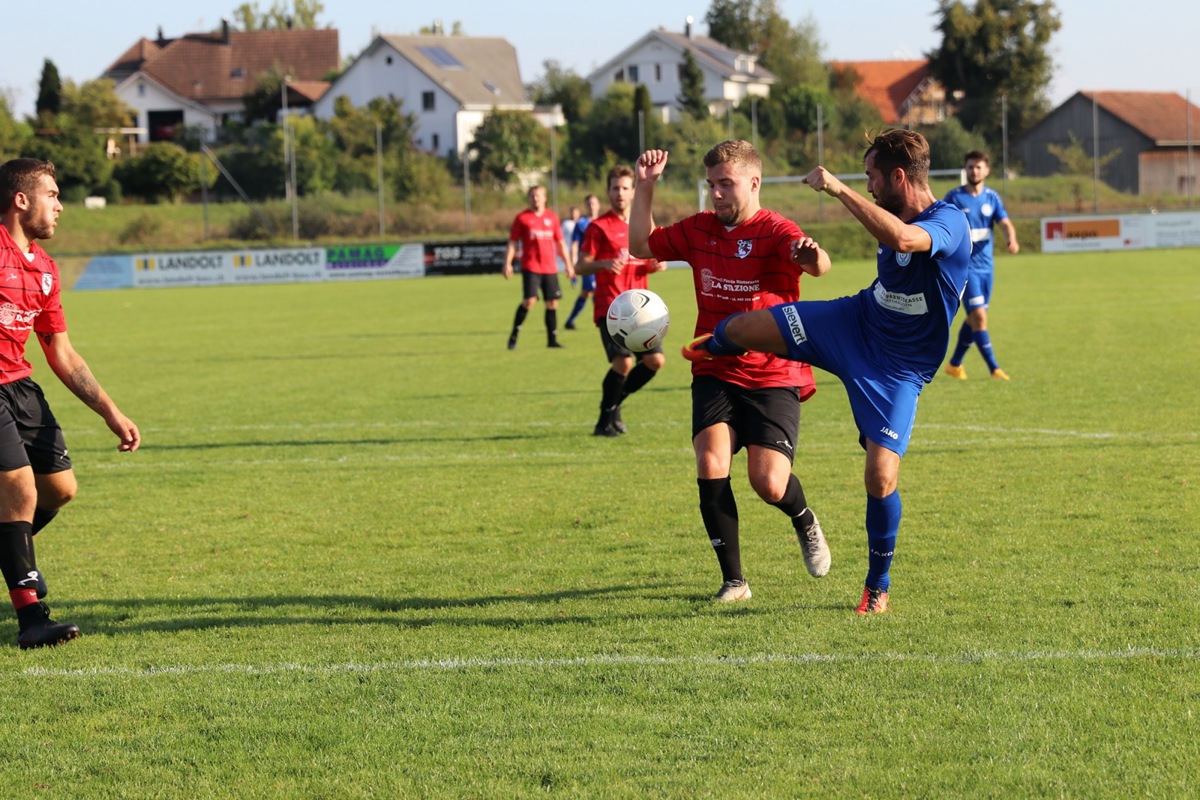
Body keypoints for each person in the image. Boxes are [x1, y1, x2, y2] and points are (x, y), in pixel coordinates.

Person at [680, 130, 971, 614]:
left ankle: (877, 584)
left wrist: (838, 188)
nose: (871, 186)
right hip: (854, 323)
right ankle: (712, 349)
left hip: (898, 369)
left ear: (899, 177)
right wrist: (714, 345)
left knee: (880, 477)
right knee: (744, 327)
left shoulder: (949, 222)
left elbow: (903, 239)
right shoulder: (890, 210)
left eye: (874, 177)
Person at [629, 140, 833, 602]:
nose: (716, 195)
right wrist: (645, 188)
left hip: (774, 372)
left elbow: (820, 266)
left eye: (726, 184)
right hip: (715, 365)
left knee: (768, 482)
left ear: (754, 183)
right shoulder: (699, 229)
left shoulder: (778, 230)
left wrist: (809, 255)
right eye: (711, 185)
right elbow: (640, 245)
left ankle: (804, 520)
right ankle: (734, 581)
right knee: (710, 462)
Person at [0, 158, 141, 648]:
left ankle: (9, 552)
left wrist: (112, 411)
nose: (60, 206)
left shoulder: (44, 268)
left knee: (59, 489)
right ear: (21, 200)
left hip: (19, 385)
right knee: (19, 491)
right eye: (52, 195)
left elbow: (60, 351)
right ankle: (31, 618)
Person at [576, 167, 667, 437]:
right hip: (612, 308)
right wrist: (605, 263)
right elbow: (580, 266)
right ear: (608, 191)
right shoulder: (598, 227)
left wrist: (654, 265)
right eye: (615, 188)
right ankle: (604, 420)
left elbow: (647, 262)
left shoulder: (642, 224)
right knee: (624, 363)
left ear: (633, 191)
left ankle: (614, 405)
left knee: (655, 362)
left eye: (625, 188)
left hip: (642, 310)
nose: (620, 193)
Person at [943, 150, 1019, 380]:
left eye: (978, 167)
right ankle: (994, 369)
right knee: (980, 318)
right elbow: (941, 223)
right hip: (965, 269)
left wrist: (1011, 238)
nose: (974, 171)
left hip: (987, 268)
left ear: (986, 170)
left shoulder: (992, 198)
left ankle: (955, 364)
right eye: (970, 167)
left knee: (975, 318)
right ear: (965, 170)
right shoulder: (954, 197)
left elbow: (1004, 222)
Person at [503, 185, 575, 349]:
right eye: (532, 196)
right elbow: (513, 242)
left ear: (545, 197)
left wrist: (569, 265)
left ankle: (552, 340)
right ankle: (514, 335)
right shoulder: (522, 218)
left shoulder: (552, 218)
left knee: (552, 303)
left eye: (538, 195)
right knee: (529, 301)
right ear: (529, 198)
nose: (535, 198)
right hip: (531, 266)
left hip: (550, 267)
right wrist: (507, 263)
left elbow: (560, 243)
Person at [564, 194, 601, 331]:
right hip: (587, 264)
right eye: (589, 204)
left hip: (602, 263)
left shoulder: (603, 221)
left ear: (599, 205)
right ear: (585, 206)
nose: (591, 206)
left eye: (594, 203)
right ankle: (601, 320)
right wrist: (573, 264)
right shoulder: (581, 224)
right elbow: (574, 244)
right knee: (595, 290)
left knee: (586, 293)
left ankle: (570, 321)